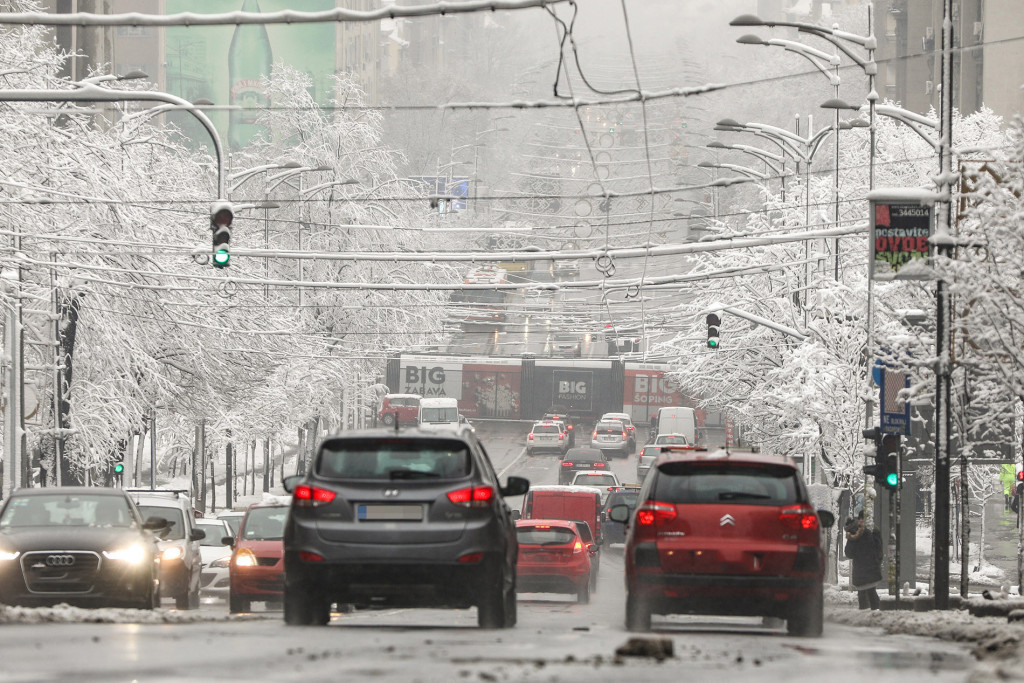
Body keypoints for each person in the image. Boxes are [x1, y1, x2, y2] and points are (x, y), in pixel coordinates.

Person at [844, 513, 882, 610]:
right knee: (872, 593)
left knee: (863, 595)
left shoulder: (852, 537)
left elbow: (849, 554)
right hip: (871, 569)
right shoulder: (868, 532)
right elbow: (877, 548)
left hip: (860, 571)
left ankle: (865, 616)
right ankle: (874, 615)